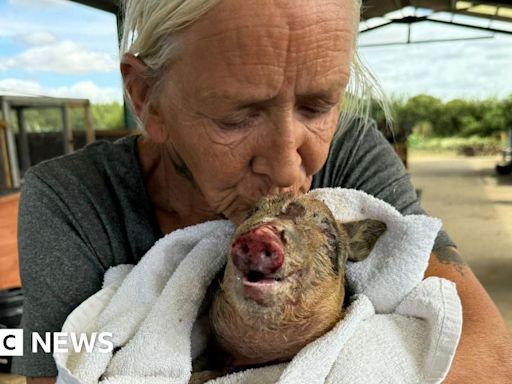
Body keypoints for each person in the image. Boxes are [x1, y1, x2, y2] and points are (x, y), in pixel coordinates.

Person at [11, 0, 512, 383]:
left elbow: (488, 356)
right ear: (147, 99)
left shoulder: (351, 148)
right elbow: (54, 361)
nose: (287, 164)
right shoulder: (70, 197)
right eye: (237, 117)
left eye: (318, 107)